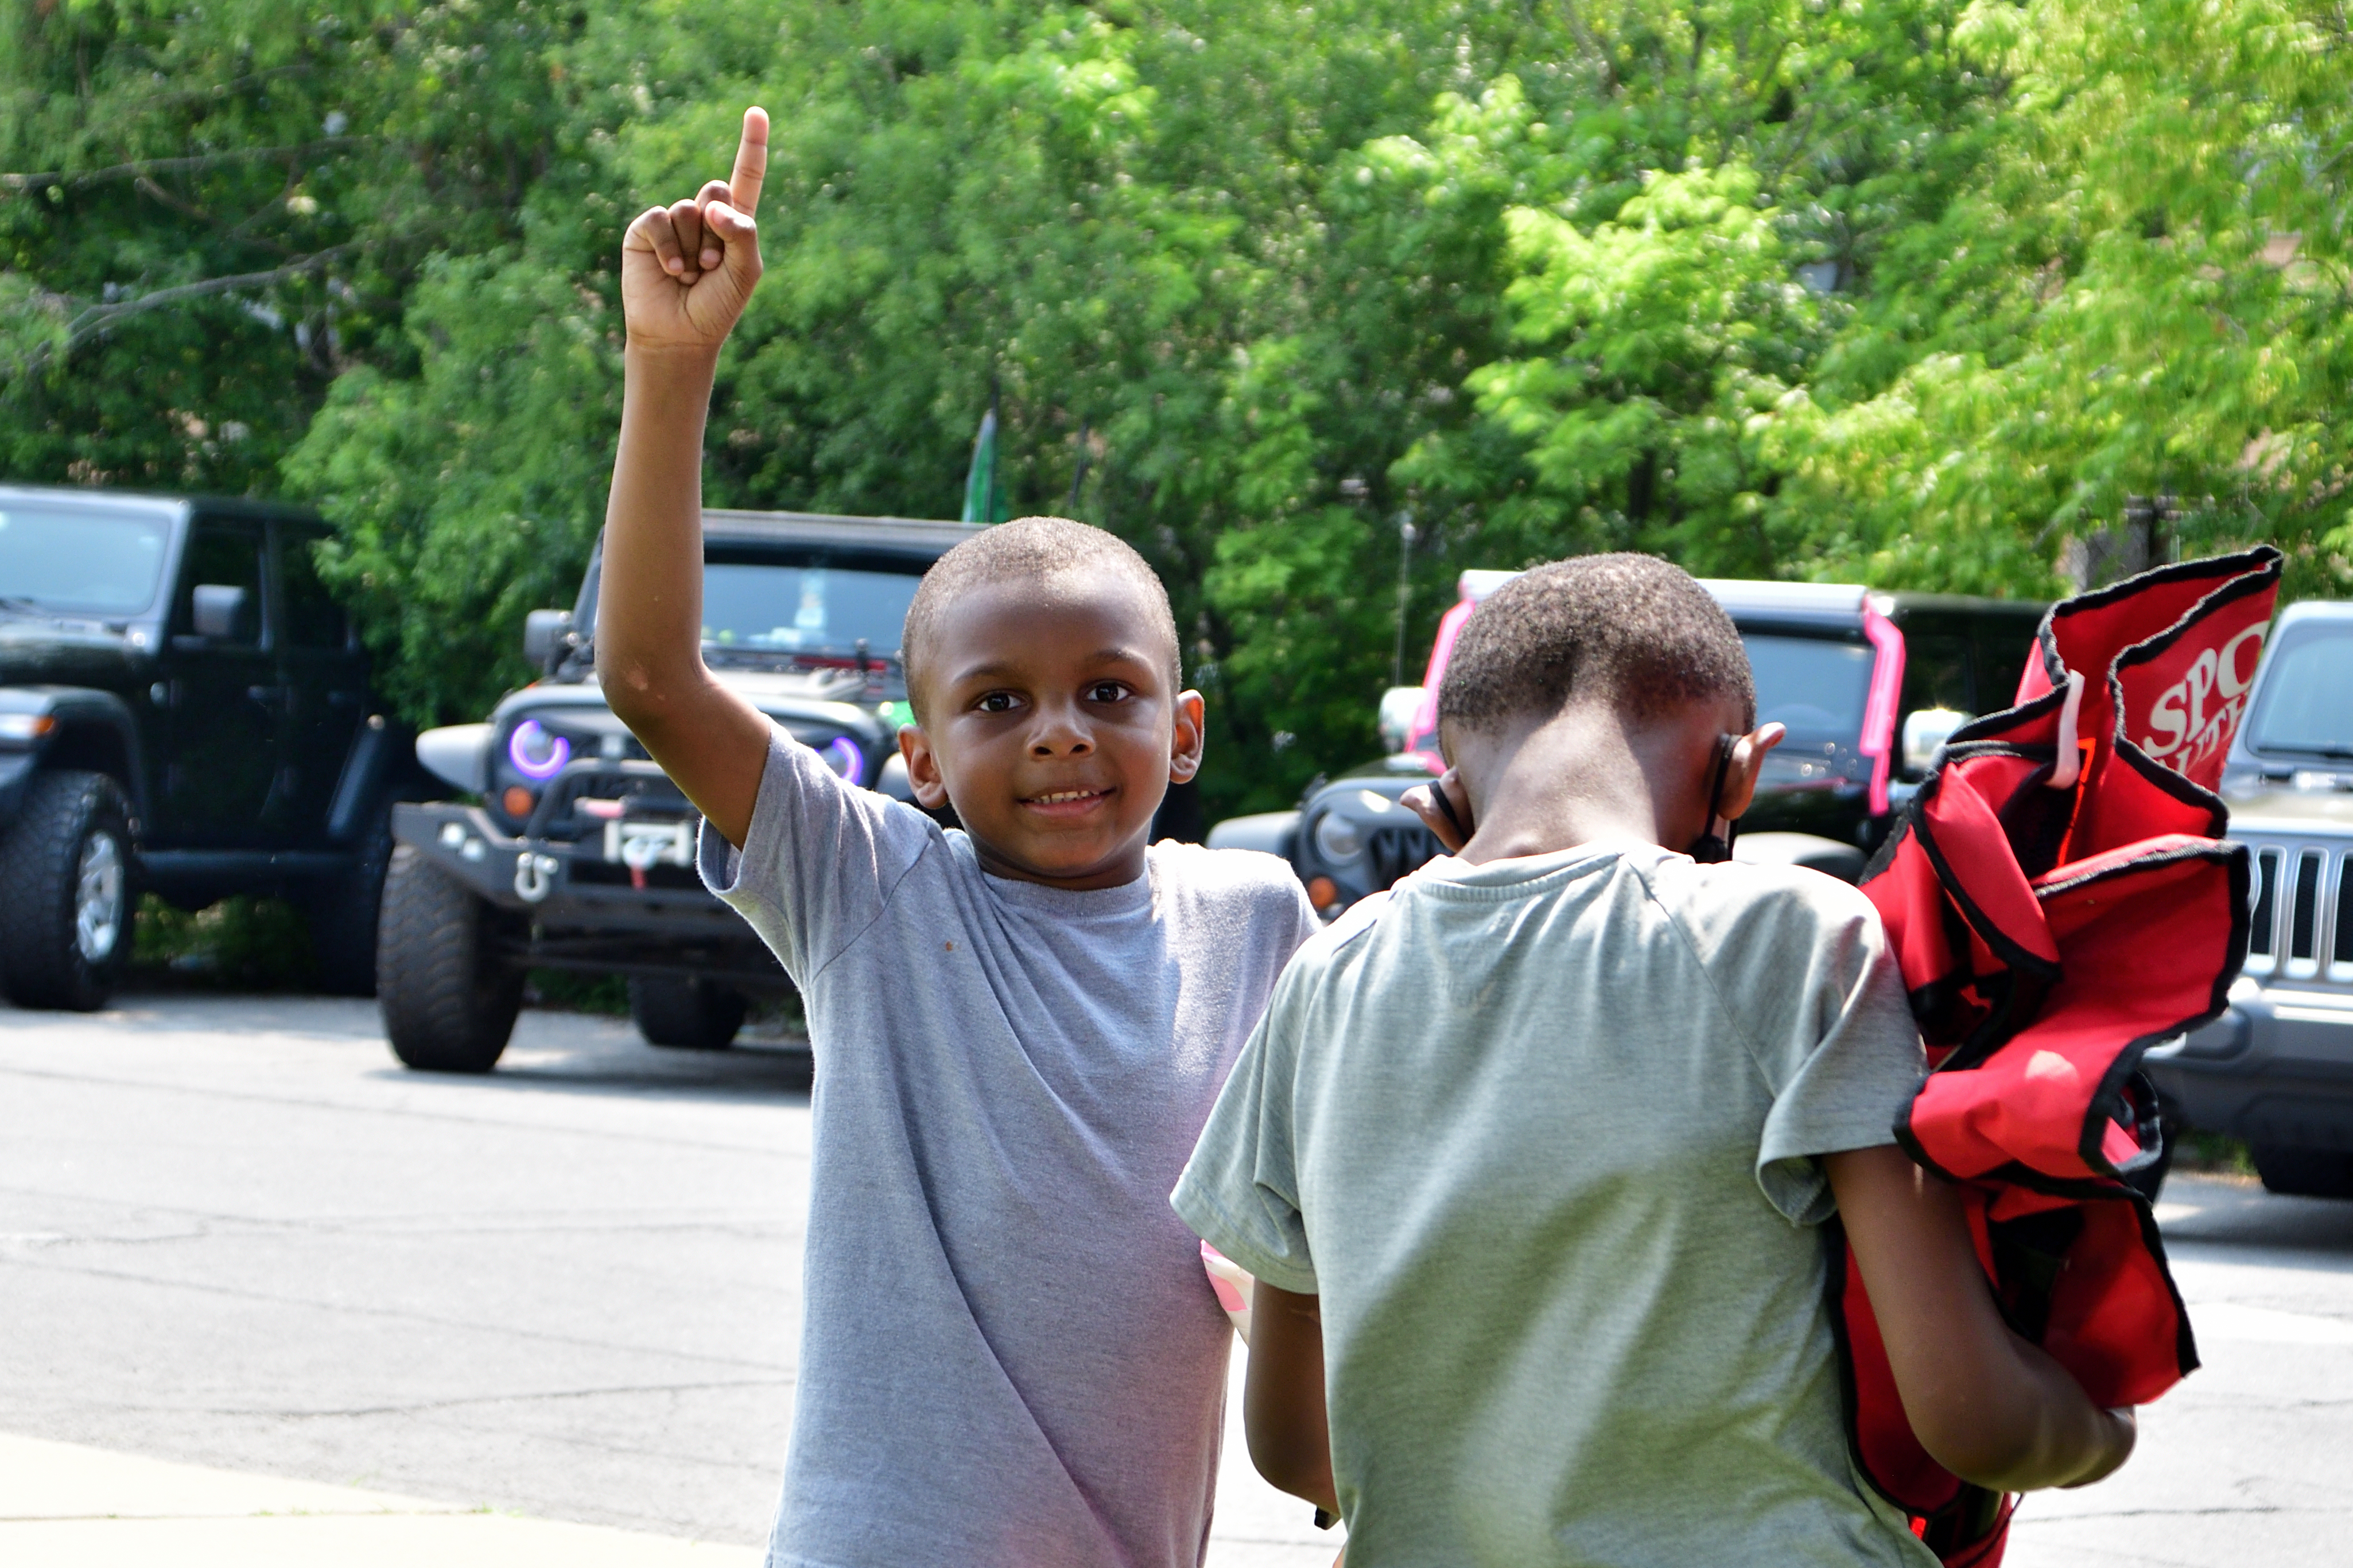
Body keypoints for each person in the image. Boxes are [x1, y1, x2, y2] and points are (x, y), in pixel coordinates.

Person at [599, 108, 1319, 1567]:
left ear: (1184, 732)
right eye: (1000, 702)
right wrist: (672, 367)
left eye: (1105, 693)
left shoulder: (1255, 919)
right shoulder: (869, 882)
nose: (1059, 731)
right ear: (921, 761)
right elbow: (652, 679)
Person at [1172, 555, 2135, 1567]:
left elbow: (1295, 1445)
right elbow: (1971, 1420)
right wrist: (2099, 1425)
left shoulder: (1328, 978)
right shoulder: (1790, 934)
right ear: (1741, 771)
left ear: (1445, 790)